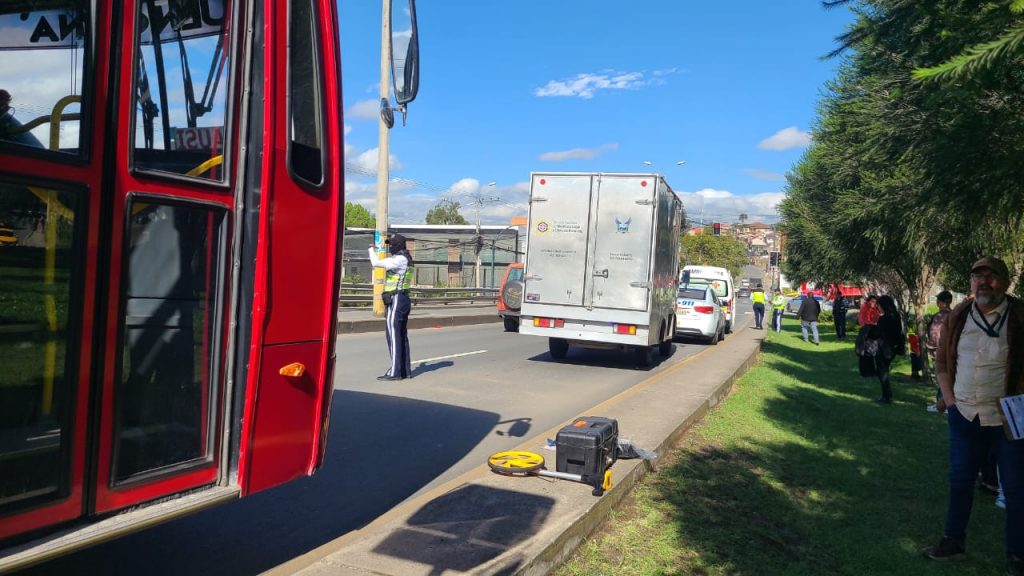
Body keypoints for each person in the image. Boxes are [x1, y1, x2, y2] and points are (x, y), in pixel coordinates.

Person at [923, 257, 1024, 575]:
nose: (984, 282)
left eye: (992, 277)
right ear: (970, 283)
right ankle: (952, 541)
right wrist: (950, 402)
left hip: (1009, 419)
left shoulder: (1020, 315)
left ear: (1006, 283)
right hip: (964, 414)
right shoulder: (958, 315)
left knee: (1016, 487)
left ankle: (1017, 556)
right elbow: (941, 363)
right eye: (977, 276)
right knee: (960, 481)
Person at [368, 234, 415, 381]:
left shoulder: (399, 260)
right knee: (401, 336)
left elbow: (376, 263)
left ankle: (395, 372)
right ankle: (405, 371)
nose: (390, 247)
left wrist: (370, 250)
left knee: (393, 335)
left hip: (397, 299)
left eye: (392, 244)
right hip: (403, 299)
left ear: (399, 245)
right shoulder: (407, 259)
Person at [870, 295, 905, 404]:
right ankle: (886, 394)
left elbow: (879, 333)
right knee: (884, 370)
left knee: (882, 371)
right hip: (894, 347)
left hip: (885, 347)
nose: (878, 308)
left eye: (878, 305)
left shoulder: (884, 318)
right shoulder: (896, 316)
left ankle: (886, 396)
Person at [925, 290, 954, 412]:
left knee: (942, 377)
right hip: (951, 351)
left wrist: (931, 346)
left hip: (940, 351)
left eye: (939, 301)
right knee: (949, 377)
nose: (937, 303)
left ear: (943, 303)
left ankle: (943, 403)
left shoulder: (940, 316)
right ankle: (944, 402)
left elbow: (935, 334)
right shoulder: (953, 315)